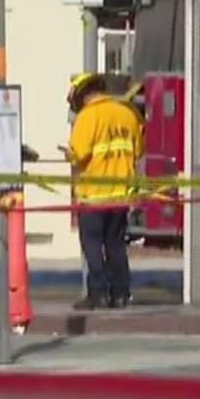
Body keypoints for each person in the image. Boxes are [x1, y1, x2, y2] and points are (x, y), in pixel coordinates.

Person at [63, 72, 143, 310]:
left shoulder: (88, 117)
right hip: (120, 195)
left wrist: (68, 155)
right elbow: (139, 150)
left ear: (81, 94)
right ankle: (121, 293)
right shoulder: (127, 114)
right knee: (116, 245)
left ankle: (98, 293)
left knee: (92, 245)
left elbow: (78, 154)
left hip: (94, 196)